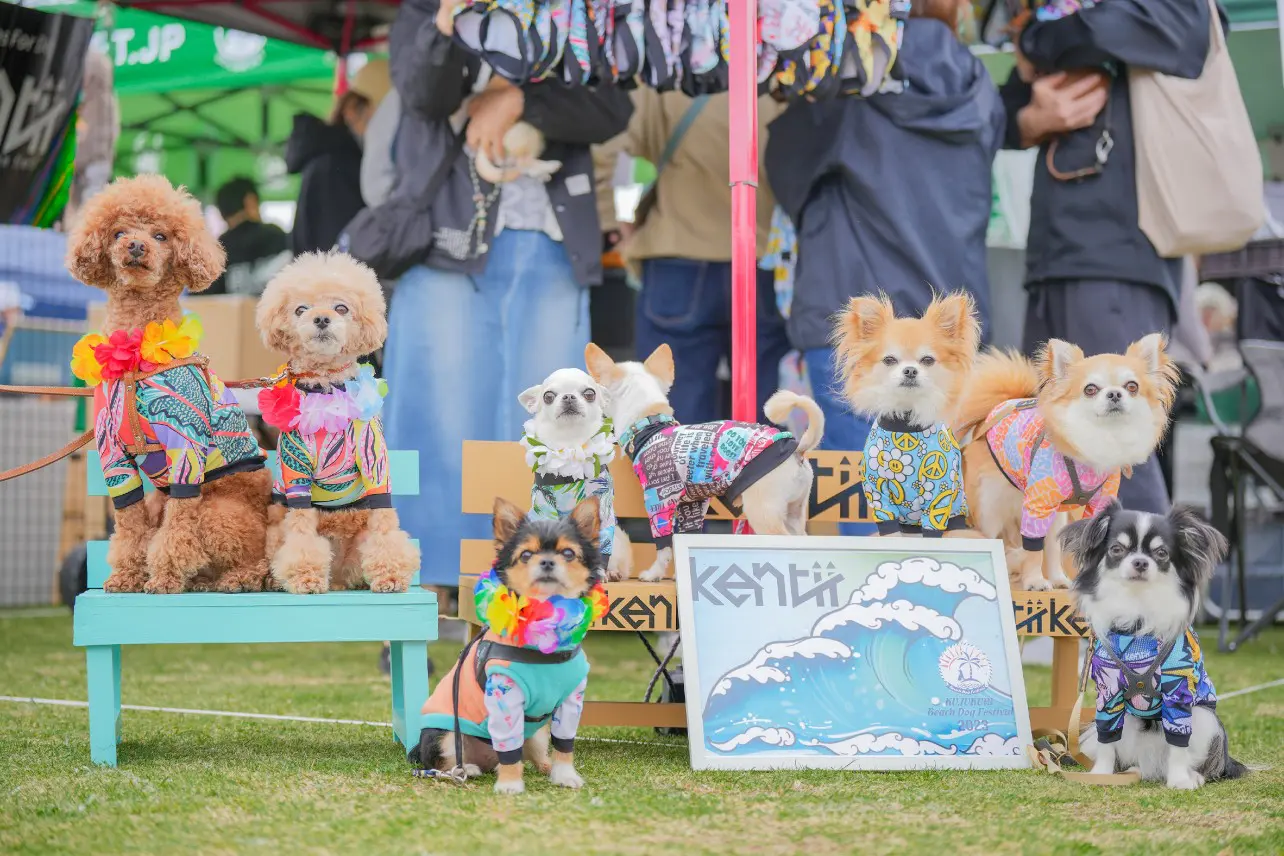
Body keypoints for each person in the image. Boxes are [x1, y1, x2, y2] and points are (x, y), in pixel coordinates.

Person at [380, 0, 632, 587]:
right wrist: (447, 20)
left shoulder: (573, 11)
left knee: (551, 422)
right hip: (447, 243)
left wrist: (521, 99)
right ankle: (426, 580)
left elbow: (613, 106)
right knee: (438, 419)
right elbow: (421, 92)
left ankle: (534, 584)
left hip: (552, 242)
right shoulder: (425, 8)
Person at [765, 0, 1004, 531]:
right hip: (946, 331)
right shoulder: (978, 84)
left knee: (868, 497)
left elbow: (785, 165)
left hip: (863, 322)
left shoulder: (852, 75)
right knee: (943, 492)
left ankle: (876, 586)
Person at [1000, 0, 1219, 514]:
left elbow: (1188, 29)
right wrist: (1031, 114)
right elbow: (1007, 112)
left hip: (1115, 253)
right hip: (1058, 253)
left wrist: (1034, 37)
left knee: (1117, 451)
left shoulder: (1073, 25)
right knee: (1045, 448)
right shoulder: (1058, 22)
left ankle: (1149, 567)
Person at [601, 90, 791, 425]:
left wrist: (615, 221)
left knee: (675, 409)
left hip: (675, 257)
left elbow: (611, 146)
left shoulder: (666, 79)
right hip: (759, 259)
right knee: (761, 410)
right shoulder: (777, 81)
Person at [287, 60, 392, 255]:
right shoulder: (337, 167)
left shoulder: (332, 159)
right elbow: (341, 250)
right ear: (352, 110)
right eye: (386, 115)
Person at [208, 177, 291, 296]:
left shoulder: (214, 253)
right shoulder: (275, 236)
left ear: (221, 213)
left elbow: (199, 301)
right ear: (250, 201)